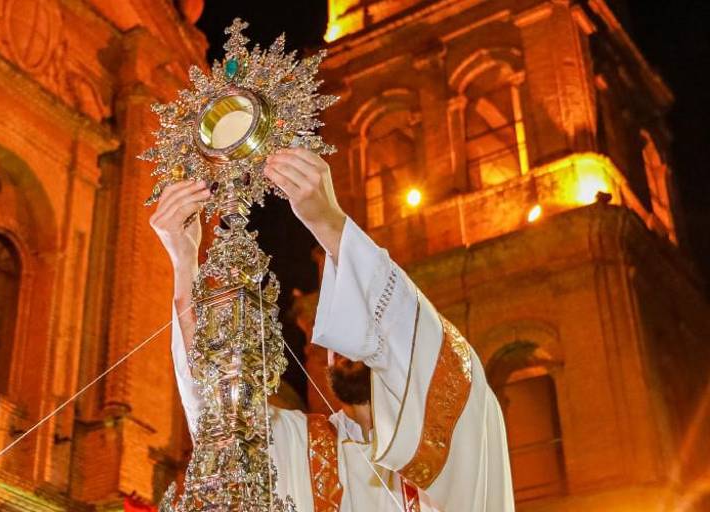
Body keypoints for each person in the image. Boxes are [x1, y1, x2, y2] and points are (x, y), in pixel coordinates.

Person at [149, 148, 515, 511]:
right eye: (337, 329)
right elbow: (220, 420)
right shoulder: (303, 448)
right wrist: (184, 262)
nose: (343, 345)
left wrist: (330, 224)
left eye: (358, 324)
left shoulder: (467, 437)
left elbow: (443, 361)